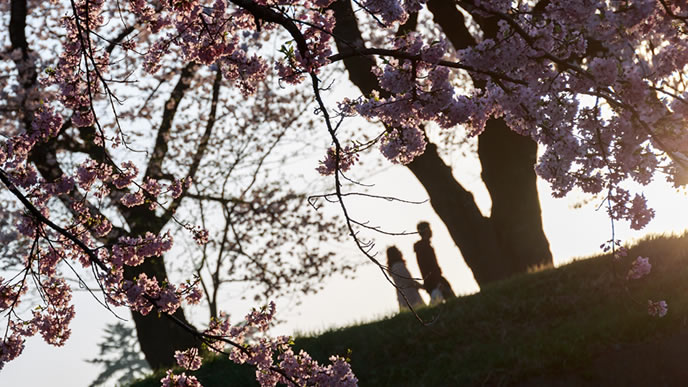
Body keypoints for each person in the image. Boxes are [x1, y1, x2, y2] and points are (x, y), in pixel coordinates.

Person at [413, 221, 455, 305]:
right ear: (426, 230)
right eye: (429, 228)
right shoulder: (425, 248)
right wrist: (437, 283)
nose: (431, 231)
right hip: (435, 282)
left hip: (433, 282)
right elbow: (429, 267)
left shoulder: (422, 248)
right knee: (453, 302)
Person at [386, 246, 425, 311]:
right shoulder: (399, 266)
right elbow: (409, 281)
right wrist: (423, 287)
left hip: (402, 296)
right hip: (410, 295)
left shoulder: (392, 268)